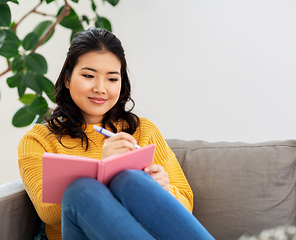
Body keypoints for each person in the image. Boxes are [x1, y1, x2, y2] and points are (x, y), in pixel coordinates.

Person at [18, 27, 215, 240]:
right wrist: (103, 170)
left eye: (112, 79)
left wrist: (163, 190)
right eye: (88, 75)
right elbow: (47, 212)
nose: (101, 88)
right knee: (81, 190)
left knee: (129, 179)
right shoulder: (38, 140)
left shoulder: (143, 130)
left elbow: (186, 201)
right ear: (67, 79)